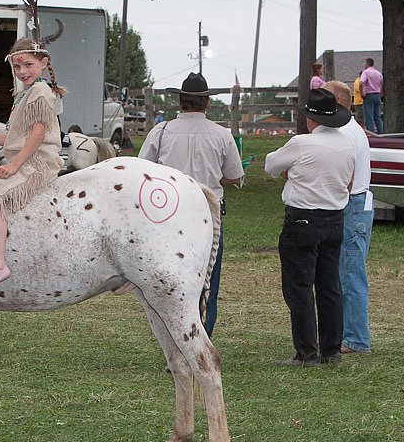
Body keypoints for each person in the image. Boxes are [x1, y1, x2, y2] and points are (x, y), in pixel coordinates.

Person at [0, 27, 65, 298]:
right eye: (17, 66)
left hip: (38, 163)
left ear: (43, 63)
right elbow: (14, 137)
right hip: (27, 156)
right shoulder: (25, 93)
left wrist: (15, 165)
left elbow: (38, 134)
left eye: (28, 64)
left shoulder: (40, 92)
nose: (22, 71)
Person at [139, 72, 244, 338]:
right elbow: (234, 175)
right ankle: (200, 339)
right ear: (206, 103)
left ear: (181, 101)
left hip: (168, 213)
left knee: (168, 280)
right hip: (207, 213)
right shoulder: (221, 134)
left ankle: (174, 339)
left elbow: (142, 170)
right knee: (207, 281)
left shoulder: (161, 132)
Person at [264, 88, 355, 367]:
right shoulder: (348, 144)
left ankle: (307, 352)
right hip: (334, 218)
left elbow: (271, 165)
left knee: (299, 287)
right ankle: (331, 349)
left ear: (310, 119)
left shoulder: (301, 144)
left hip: (303, 218)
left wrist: (291, 173)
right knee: (329, 286)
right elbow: (349, 180)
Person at [324, 81, 374, 355]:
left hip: (352, 204)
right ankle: (348, 333)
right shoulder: (352, 131)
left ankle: (356, 338)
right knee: (346, 272)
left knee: (352, 275)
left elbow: (346, 176)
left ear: (340, 102)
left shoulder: (346, 134)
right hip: (356, 204)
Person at [360, 58, 384, 134]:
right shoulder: (378, 73)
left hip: (369, 94)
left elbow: (361, 83)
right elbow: (382, 84)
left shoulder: (366, 72)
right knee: (378, 116)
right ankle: (381, 133)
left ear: (367, 64)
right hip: (377, 94)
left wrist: (362, 93)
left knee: (369, 116)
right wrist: (381, 93)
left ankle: (371, 134)